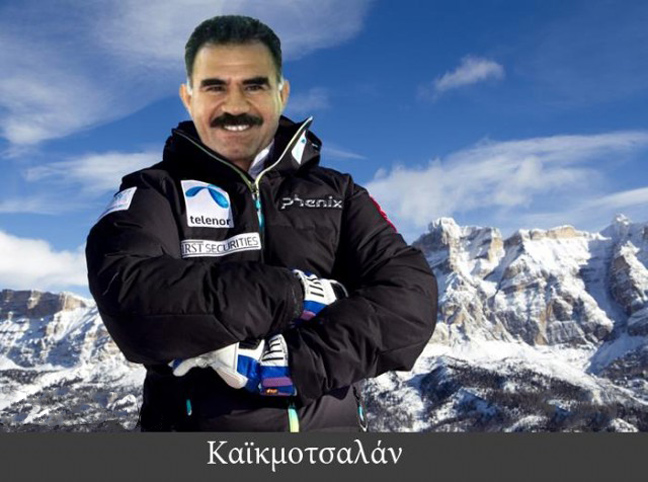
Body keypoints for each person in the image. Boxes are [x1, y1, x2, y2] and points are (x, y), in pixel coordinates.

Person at [86, 15, 437, 432]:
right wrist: (295, 295)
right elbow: (128, 296)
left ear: (280, 93)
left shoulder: (338, 193)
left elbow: (411, 299)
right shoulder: (155, 191)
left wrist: (297, 363)